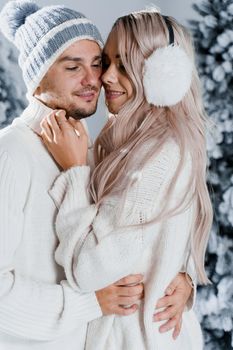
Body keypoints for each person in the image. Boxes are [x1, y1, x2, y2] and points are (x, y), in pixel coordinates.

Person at [0, 1, 194, 349]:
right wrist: (87, 303)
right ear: (38, 74)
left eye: (96, 63)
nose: (95, 79)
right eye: (73, 67)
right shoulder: (11, 154)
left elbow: (144, 228)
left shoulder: (86, 148)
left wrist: (180, 274)